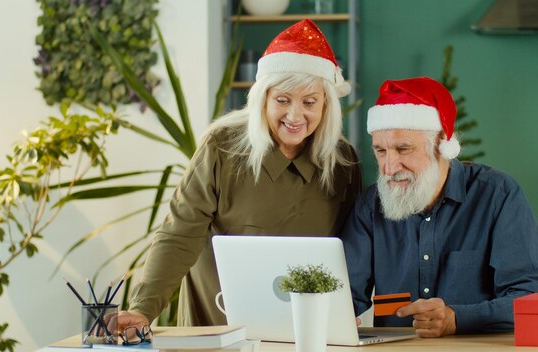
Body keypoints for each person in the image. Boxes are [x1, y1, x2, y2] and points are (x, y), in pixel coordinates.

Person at [111, 19, 362, 334]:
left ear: (326, 105)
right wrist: (142, 309)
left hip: (306, 332)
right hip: (219, 331)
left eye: (309, 102)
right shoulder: (221, 149)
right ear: (262, 100)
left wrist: (348, 309)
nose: (295, 115)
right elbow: (179, 235)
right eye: (282, 100)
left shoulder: (343, 162)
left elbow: (354, 248)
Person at [341, 77, 538, 338]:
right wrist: (331, 312)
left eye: (403, 149)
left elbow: (532, 299)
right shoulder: (370, 206)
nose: (389, 167)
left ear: (441, 144)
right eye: (381, 151)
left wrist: (457, 319)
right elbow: (344, 294)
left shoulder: (497, 194)